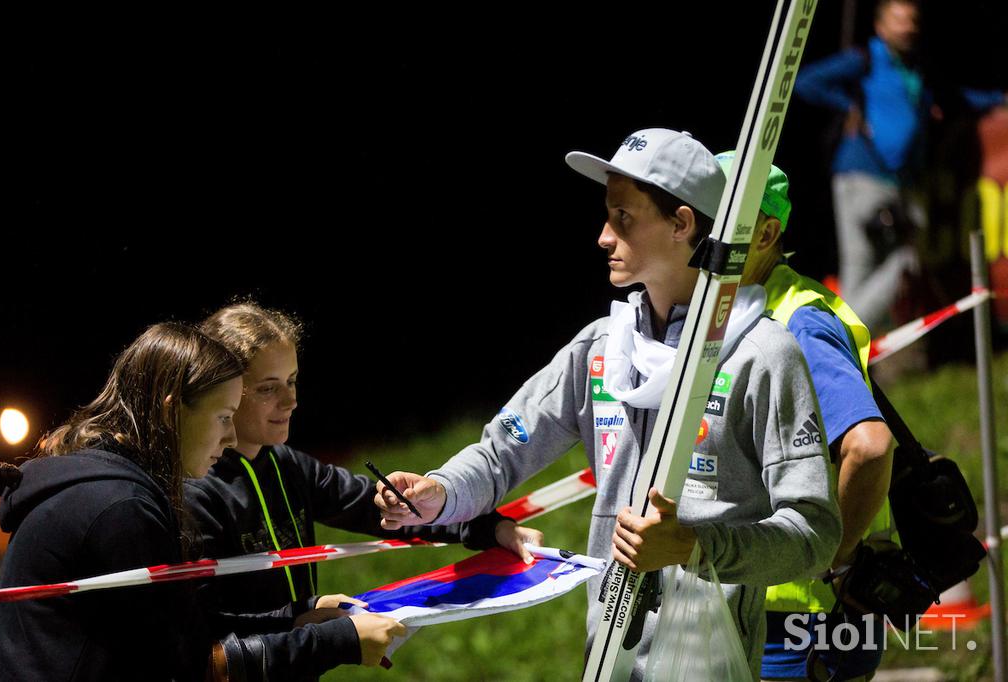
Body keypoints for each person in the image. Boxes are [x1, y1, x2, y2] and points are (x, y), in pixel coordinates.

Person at [374, 128, 842, 678]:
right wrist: (441, 493)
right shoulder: (603, 346)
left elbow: (815, 536)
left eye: (624, 217)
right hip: (608, 659)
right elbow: (502, 452)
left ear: (681, 224)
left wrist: (695, 545)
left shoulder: (761, 354)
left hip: (711, 662)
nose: (602, 236)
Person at [0, 323, 404, 681]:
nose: (232, 438)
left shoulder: (111, 484)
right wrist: (339, 642)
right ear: (172, 412)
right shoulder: (120, 508)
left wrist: (300, 615)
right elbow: (191, 667)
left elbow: (185, 630)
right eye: (223, 417)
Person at [186, 302, 542, 617]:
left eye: (292, 381)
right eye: (268, 388)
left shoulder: (287, 465)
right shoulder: (196, 490)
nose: (290, 400)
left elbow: (376, 507)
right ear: (225, 391)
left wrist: (489, 527)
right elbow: (208, 635)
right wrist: (308, 622)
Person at [716, 151, 895, 681]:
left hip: (799, 625)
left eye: (720, 222)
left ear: (766, 233)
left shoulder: (799, 321)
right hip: (767, 609)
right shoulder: (743, 309)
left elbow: (869, 445)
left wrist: (828, 558)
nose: (702, 238)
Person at [794, 0, 1006, 330]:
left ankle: (846, 339)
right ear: (880, 27)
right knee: (865, 265)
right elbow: (805, 81)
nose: (908, 27)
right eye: (899, 21)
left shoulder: (917, 68)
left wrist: (998, 100)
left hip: (903, 183)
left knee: (903, 259)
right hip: (861, 176)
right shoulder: (864, 58)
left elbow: (954, 97)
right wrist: (850, 106)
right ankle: (840, 335)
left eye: (912, 20)